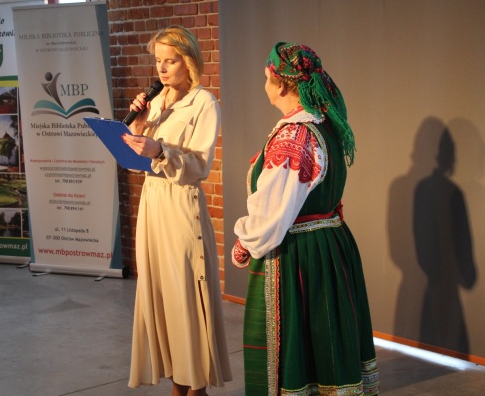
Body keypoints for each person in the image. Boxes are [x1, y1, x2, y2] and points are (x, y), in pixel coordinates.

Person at [231, 42, 379, 395]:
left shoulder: (294, 136)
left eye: (266, 77)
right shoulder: (324, 124)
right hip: (330, 245)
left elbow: (272, 214)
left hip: (299, 254)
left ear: (282, 84)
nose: (264, 85)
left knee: (298, 343)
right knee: (325, 339)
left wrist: (245, 244)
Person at [122, 25, 232, 396]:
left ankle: (194, 386)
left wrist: (159, 151)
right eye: (158, 61)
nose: (162, 69)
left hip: (181, 205)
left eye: (171, 61)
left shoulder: (204, 103)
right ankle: (177, 383)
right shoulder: (154, 101)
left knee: (185, 292)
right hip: (152, 203)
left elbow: (199, 166)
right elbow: (138, 162)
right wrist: (138, 127)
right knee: (161, 294)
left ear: (189, 61)